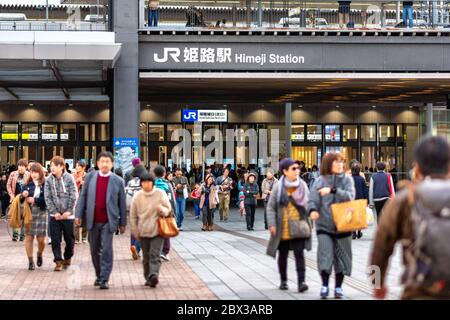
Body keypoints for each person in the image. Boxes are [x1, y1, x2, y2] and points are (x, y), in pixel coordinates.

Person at [370, 135, 450, 300]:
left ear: (417, 168)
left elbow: (380, 248)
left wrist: (377, 283)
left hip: (418, 290)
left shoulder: (404, 199)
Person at [75, 152, 127, 290]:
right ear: (97, 163)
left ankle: (104, 278)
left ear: (112, 164)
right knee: (94, 250)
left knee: (107, 250)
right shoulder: (90, 177)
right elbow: (83, 197)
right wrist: (78, 215)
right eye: (102, 161)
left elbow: (122, 203)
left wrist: (123, 223)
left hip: (108, 221)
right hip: (93, 220)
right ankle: (99, 275)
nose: (104, 164)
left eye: (107, 161)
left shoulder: (118, 181)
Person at [308, 152, 355, 299]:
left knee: (340, 259)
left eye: (341, 162)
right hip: (324, 226)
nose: (340, 165)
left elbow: (350, 196)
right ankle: (324, 285)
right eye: (336, 162)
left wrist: (333, 190)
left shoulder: (347, 180)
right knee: (325, 255)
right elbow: (312, 200)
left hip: (343, 225)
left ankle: (338, 287)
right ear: (328, 164)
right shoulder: (319, 181)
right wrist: (313, 211)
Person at [266, 158, 311, 293]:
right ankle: (283, 280)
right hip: (283, 226)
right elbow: (271, 207)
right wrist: (272, 224)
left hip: (298, 225)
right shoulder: (279, 187)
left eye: (297, 168)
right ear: (285, 171)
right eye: (293, 169)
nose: (297, 171)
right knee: (283, 254)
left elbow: (309, 204)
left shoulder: (302, 185)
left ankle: (301, 281)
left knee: (299, 254)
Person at [130, 172, 171, 288]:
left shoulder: (160, 193)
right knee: (146, 257)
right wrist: (134, 230)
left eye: (148, 182)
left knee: (155, 254)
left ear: (153, 183)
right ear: (141, 184)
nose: (146, 184)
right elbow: (133, 215)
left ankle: (154, 275)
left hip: (158, 230)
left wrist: (162, 210)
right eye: (144, 182)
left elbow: (168, 209)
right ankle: (148, 276)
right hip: (143, 231)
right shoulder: (137, 196)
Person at [44, 156, 78, 272]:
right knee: (55, 240)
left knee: (70, 240)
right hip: (55, 217)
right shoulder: (48, 180)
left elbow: (74, 195)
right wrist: (54, 212)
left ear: (62, 167)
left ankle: (67, 257)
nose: (52, 168)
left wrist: (68, 210)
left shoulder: (69, 178)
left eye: (55, 166)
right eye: (51, 166)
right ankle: (58, 261)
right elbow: (47, 197)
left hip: (68, 216)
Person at [22, 163, 47, 271]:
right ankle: (30, 261)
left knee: (41, 239)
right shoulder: (27, 184)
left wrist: (35, 200)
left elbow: (47, 200)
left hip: (41, 212)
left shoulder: (46, 184)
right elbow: (20, 199)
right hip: (29, 212)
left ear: (40, 172)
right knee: (28, 237)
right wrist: (23, 195)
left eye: (36, 172)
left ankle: (39, 253)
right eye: (32, 172)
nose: (34, 174)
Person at [154, 165, 176, 262]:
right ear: (164, 174)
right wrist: (173, 212)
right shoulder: (167, 184)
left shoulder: (152, 184)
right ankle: (164, 252)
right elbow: (172, 200)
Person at [126, 164, 147, 260]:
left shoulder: (130, 182)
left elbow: (127, 196)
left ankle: (132, 246)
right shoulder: (145, 182)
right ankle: (136, 247)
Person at [7, 159, 30, 241]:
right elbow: (8, 185)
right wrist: (11, 195)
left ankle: (23, 236)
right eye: (19, 166)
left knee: (24, 217)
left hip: (25, 200)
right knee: (15, 216)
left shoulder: (29, 175)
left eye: (23, 166)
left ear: (26, 167)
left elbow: (31, 186)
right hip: (15, 199)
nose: (20, 168)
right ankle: (15, 235)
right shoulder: (13, 174)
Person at [351, 161, 368, 240]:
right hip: (360, 199)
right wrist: (366, 199)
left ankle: (353, 233)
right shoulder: (361, 179)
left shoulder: (349, 179)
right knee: (360, 216)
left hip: (352, 199)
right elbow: (365, 190)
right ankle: (359, 232)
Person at [73, 160, 87, 244]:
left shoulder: (87, 176)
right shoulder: (73, 176)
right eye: (76, 166)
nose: (77, 167)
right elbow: (71, 185)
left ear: (83, 168)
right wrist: (78, 181)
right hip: (76, 199)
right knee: (76, 217)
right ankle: (76, 238)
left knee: (85, 218)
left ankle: (84, 236)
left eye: (78, 166)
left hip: (85, 199)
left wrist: (84, 183)